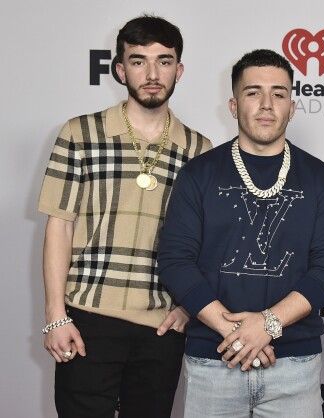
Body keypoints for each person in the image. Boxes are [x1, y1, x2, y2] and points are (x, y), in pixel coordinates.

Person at [157, 49, 324, 418]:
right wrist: (238, 333)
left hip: (293, 365)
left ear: (292, 107)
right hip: (213, 362)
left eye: (278, 94)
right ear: (233, 105)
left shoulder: (321, 178)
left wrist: (268, 324)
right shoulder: (199, 175)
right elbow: (175, 261)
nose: (266, 104)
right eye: (253, 92)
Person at [38, 15, 212, 418]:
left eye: (164, 61)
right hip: (86, 320)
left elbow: (205, 244)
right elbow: (59, 227)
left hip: (162, 328)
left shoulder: (199, 150)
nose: (152, 73)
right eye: (138, 61)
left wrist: (188, 308)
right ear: (120, 69)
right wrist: (54, 316)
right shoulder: (79, 134)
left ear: (179, 70)